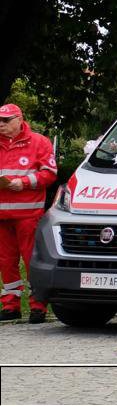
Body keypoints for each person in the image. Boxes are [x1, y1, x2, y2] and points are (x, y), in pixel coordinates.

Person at [0, 104, 57, 324]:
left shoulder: (39, 142)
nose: (1, 125)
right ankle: (10, 304)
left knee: (32, 260)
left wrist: (23, 183)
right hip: (2, 216)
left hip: (27, 214)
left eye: (6, 121)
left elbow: (49, 174)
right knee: (6, 262)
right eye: (0, 121)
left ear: (19, 120)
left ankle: (38, 306)